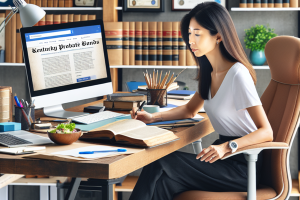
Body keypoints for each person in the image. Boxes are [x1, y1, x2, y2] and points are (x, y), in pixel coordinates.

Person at [129, 2, 273, 200]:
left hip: (243, 163)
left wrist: (226, 147)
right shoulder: (210, 71)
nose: (191, 40)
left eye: (198, 33)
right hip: (222, 157)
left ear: (218, 36)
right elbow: (189, 110)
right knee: (165, 184)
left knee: (160, 162)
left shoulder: (238, 74)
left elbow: (267, 132)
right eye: (189, 33)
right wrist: (153, 117)